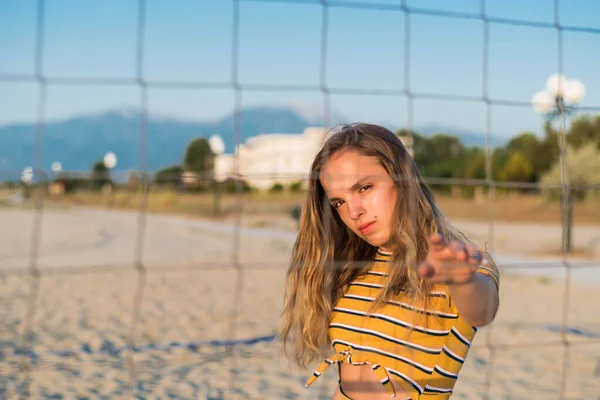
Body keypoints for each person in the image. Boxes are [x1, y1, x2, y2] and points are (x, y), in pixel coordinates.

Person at [278, 123, 500, 400]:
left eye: (364, 188)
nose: (354, 212)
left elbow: (482, 310)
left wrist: (462, 279)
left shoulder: (457, 262)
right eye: (338, 203)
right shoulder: (356, 268)